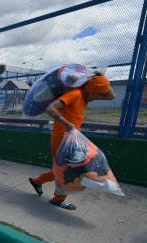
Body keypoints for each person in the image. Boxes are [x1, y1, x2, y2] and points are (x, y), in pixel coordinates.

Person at [28, 71, 116, 210]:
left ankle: (37, 181)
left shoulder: (88, 97)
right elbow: (51, 109)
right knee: (66, 169)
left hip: (72, 137)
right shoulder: (75, 94)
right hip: (61, 136)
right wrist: (66, 124)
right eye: (99, 94)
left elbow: (112, 96)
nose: (100, 97)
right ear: (91, 89)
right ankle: (58, 199)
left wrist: (103, 78)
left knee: (65, 168)